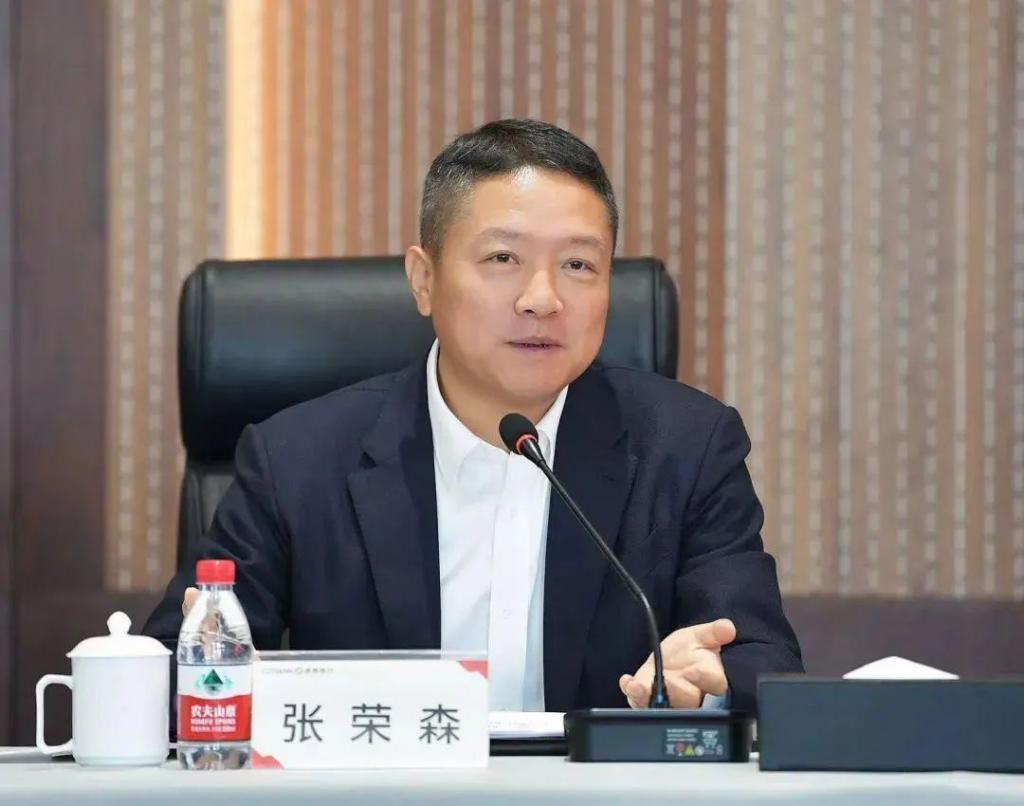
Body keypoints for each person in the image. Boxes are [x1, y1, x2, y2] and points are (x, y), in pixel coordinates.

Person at [144, 118, 802, 714]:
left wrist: (707, 685)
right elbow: (178, 669)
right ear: (424, 280)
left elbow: (761, 661)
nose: (542, 299)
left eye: (578, 264)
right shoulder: (296, 461)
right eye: (502, 259)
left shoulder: (687, 449)